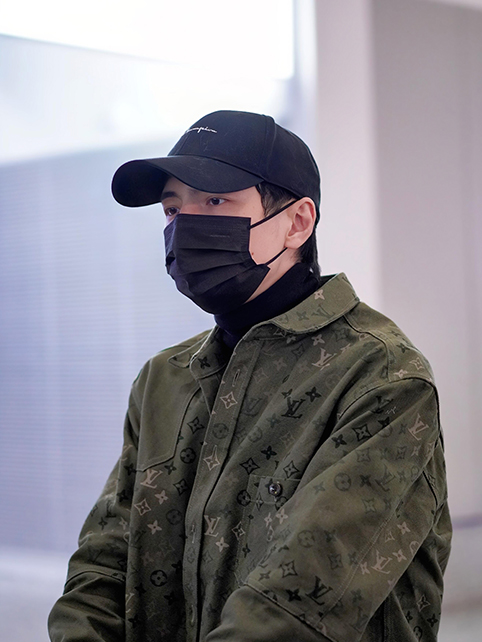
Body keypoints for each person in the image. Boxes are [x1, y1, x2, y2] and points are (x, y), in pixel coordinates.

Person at [48, 110, 451, 642]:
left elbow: (296, 605)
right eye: (173, 209)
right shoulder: (165, 380)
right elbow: (106, 559)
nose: (184, 227)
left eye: (216, 201)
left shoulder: (382, 378)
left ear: (298, 222)